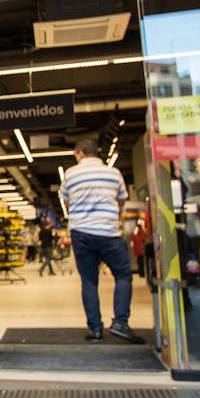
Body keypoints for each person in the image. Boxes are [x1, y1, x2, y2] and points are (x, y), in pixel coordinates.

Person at [59, 139, 139, 343]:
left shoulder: (70, 174)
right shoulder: (113, 173)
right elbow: (121, 200)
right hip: (108, 232)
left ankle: (95, 329)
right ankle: (121, 323)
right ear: (97, 153)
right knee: (122, 275)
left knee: (89, 281)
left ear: (79, 154)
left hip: (81, 232)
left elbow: (67, 203)